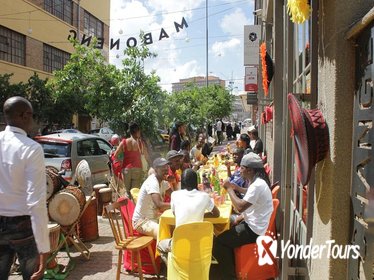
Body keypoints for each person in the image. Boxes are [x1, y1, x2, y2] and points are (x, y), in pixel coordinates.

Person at [0, 96, 50, 279]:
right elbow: (36, 202)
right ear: (25, 115)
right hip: (23, 227)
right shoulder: (31, 149)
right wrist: (44, 249)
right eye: (33, 116)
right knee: (32, 276)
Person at [213, 153, 273, 280]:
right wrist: (237, 188)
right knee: (227, 227)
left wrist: (230, 189)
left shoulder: (257, 185)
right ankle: (233, 265)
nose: (239, 170)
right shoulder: (258, 182)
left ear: (250, 170)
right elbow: (249, 193)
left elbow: (240, 207)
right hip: (255, 224)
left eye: (242, 167)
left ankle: (230, 276)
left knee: (218, 243)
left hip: (254, 230)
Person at [157, 169, 220, 256]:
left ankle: (173, 264)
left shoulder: (175, 195)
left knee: (160, 245)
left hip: (179, 242)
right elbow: (217, 214)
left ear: (182, 182)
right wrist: (200, 215)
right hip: (199, 241)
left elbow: (176, 214)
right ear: (196, 182)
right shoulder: (204, 196)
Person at [132, 158, 171, 239]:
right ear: (156, 169)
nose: (166, 169)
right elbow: (159, 205)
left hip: (153, 218)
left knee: (173, 226)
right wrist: (177, 204)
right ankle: (162, 251)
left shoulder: (163, 182)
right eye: (163, 167)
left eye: (167, 166)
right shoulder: (152, 182)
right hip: (142, 222)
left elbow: (174, 195)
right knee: (164, 233)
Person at [114, 123, 148, 197]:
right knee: (135, 192)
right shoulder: (140, 143)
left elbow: (115, 155)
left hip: (126, 169)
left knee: (127, 192)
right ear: (137, 131)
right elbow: (146, 156)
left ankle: (128, 206)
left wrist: (120, 162)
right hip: (137, 169)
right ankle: (134, 207)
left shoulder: (124, 142)